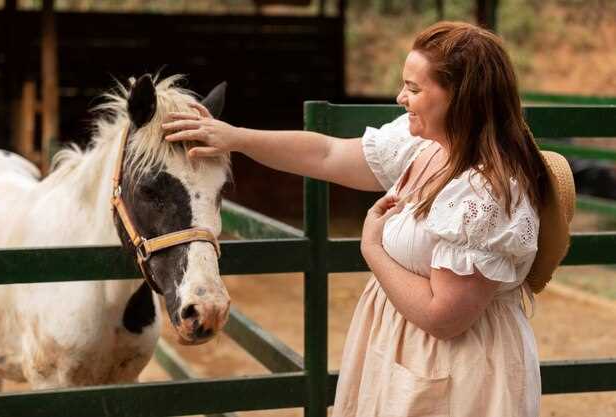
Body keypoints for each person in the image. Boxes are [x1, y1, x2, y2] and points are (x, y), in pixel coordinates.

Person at [162, 21, 575, 417]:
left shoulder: (484, 193)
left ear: (460, 98)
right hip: (401, 353)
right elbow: (327, 154)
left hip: (458, 371)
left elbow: (443, 318)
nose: (400, 97)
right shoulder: (422, 145)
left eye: (413, 88)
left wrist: (372, 248)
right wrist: (235, 137)